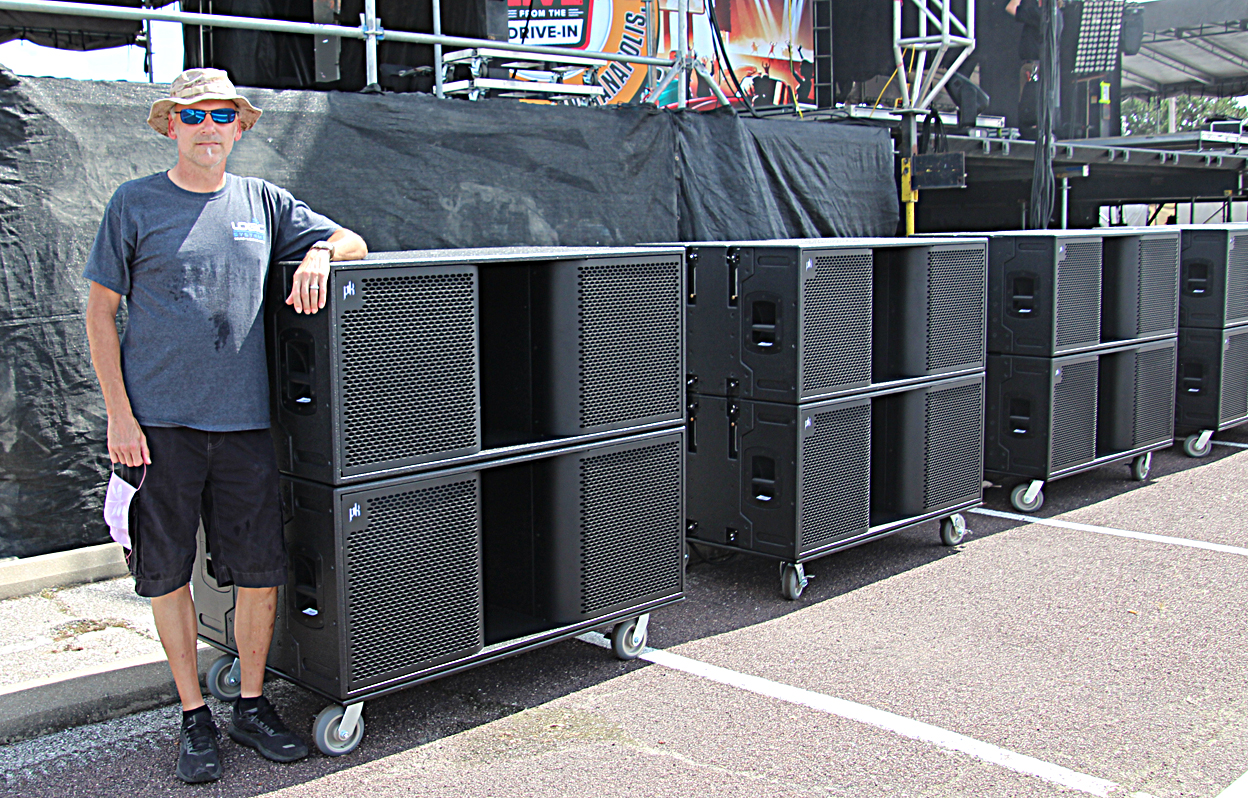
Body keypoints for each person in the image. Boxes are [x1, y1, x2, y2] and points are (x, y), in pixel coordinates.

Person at [83, 68, 367, 784]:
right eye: (192, 115)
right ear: (170, 126)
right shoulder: (133, 204)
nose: (207, 127)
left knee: (261, 574)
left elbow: (354, 239)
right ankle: (192, 717)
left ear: (239, 126)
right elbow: (98, 314)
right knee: (166, 575)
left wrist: (321, 254)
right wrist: (120, 415)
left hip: (246, 431)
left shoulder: (264, 202)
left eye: (221, 115)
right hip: (157, 431)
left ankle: (250, 705)